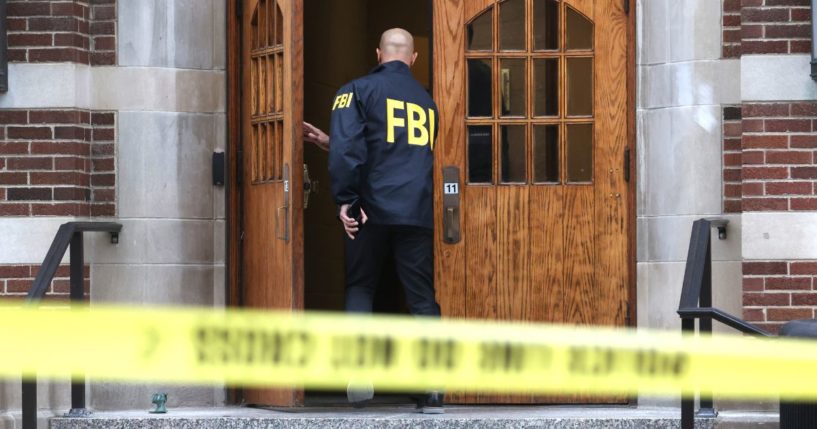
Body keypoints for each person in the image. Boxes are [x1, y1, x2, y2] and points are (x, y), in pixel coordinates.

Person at [327, 28, 444, 414]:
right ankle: (433, 384)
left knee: (361, 285)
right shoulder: (428, 103)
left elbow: (350, 150)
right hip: (415, 211)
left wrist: (347, 200)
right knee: (422, 298)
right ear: (413, 58)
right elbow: (398, 148)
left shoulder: (356, 90)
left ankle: (360, 370)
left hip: (370, 209)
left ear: (378, 53)